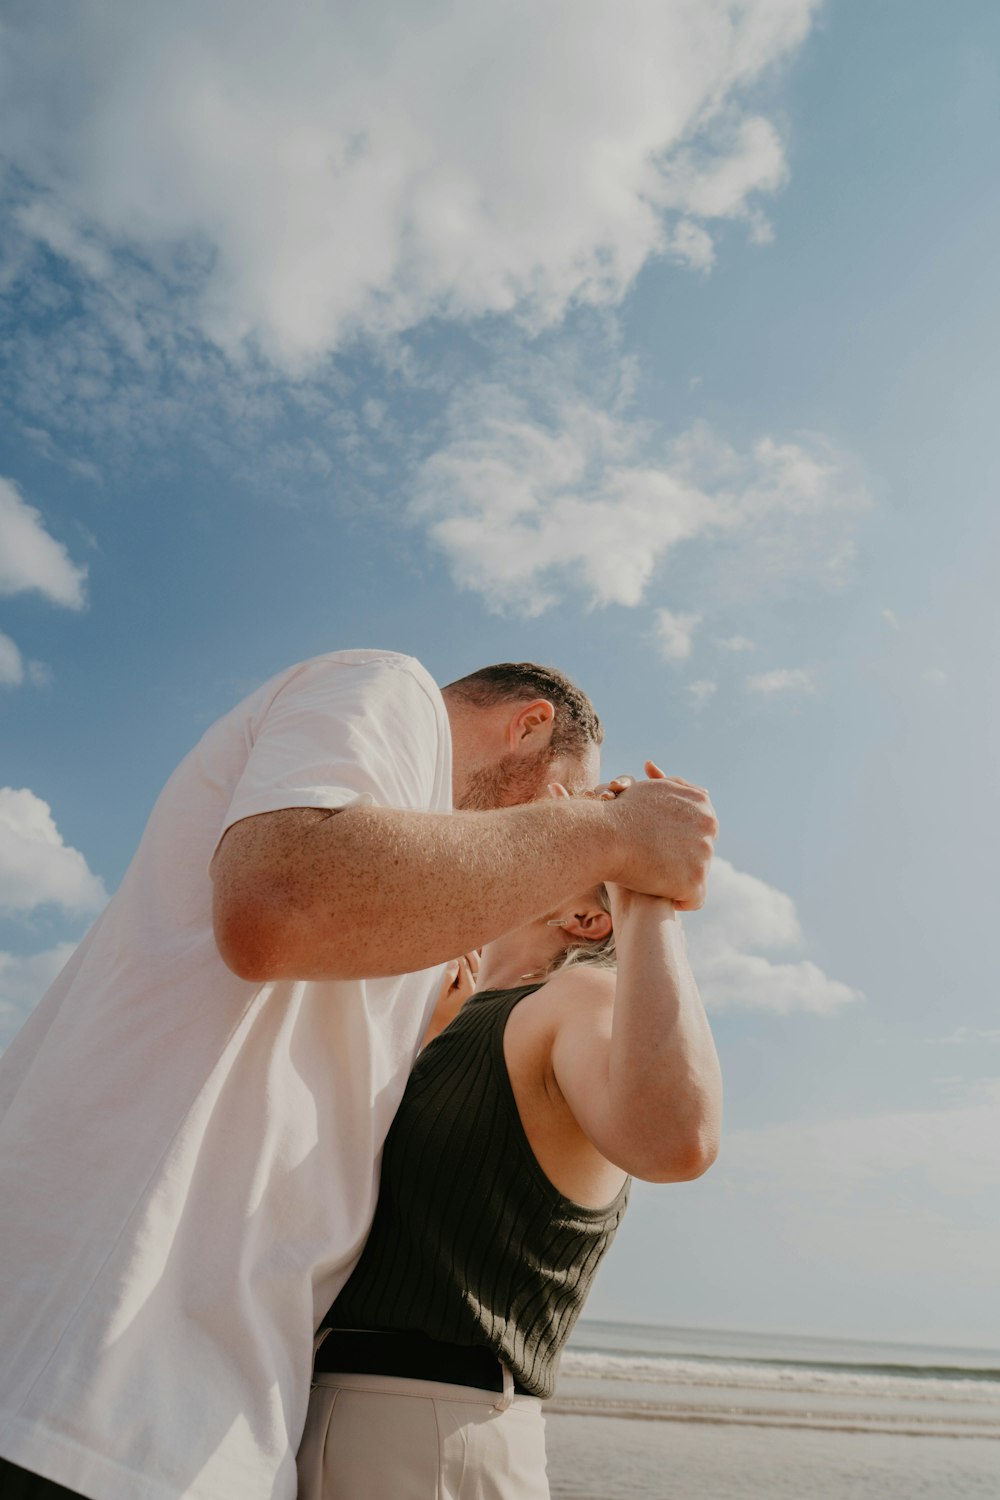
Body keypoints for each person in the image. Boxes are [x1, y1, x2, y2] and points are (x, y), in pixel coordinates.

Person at [0, 651, 717, 1500]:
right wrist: (612, 836)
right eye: (559, 797)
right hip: (89, 1395)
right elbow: (281, 899)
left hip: (196, 1423)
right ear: (528, 725)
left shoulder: (458, 963)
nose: (550, 834)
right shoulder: (389, 689)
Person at [297, 770, 722, 1500]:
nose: (530, 840)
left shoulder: (576, 995)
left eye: (569, 842)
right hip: (326, 1411)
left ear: (588, 919)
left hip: (421, 1431)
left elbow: (676, 1140)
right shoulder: (439, 1021)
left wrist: (644, 887)